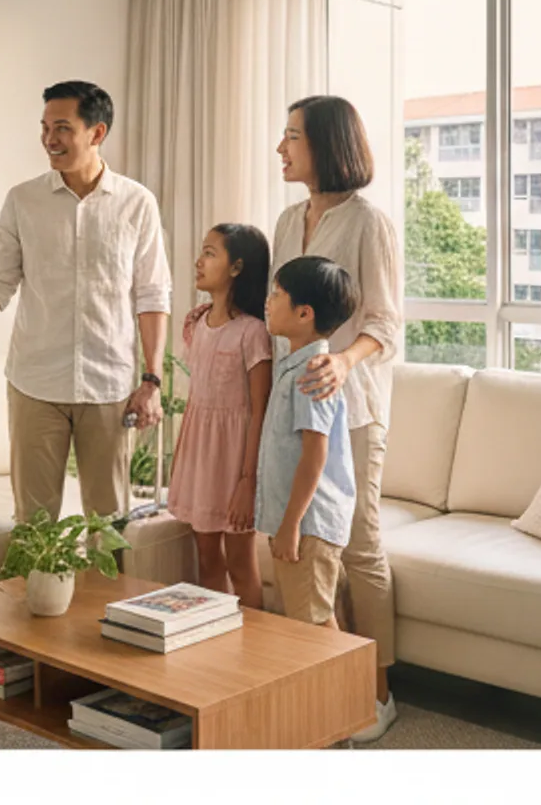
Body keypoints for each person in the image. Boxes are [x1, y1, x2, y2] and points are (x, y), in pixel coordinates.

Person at [0, 81, 170, 524]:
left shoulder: (137, 204)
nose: (49, 139)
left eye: (62, 128)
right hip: (36, 383)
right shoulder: (23, 201)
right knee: (34, 524)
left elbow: (152, 294)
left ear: (96, 133)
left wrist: (152, 380)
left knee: (110, 525)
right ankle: (34, 597)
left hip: (108, 384)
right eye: (44, 128)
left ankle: (103, 597)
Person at [272, 94, 403, 741]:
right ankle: (328, 676)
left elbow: (385, 323)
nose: (281, 148)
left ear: (325, 145)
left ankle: (377, 690)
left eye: (292, 136)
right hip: (294, 410)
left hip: (352, 410)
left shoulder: (367, 224)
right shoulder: (285, 219)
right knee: (312, 544)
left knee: (358, 547)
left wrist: (347, 362)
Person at [168, 224, 273, 608]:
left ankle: (253, 655)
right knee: (207, 559)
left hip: (235, 463)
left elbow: (259, 411)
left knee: (241, 563)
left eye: (210, 253)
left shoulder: (253, 332)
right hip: (199, 458)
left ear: (237, 267)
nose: (199, 260)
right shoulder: (195, 324)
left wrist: (248, 480)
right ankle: (214, 645)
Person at [255, 256, 358, 633]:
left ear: (304, 314)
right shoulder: (293, 364)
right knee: (310, 616)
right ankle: (341, 692)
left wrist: (290, 526)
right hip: (299, 520)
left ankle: (344, 694)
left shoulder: (313, 374)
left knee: (310, 625)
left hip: (309, 523)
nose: (269, 300)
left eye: (278, 294)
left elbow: (315, 456)